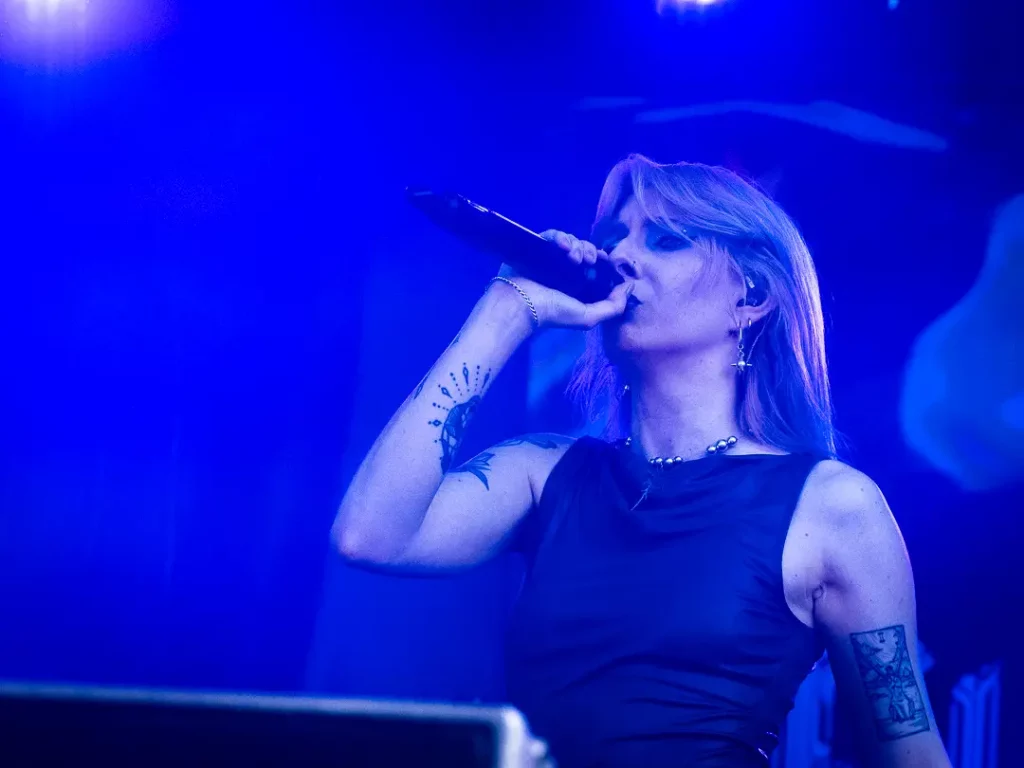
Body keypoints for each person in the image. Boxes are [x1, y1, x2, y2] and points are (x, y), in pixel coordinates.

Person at [333, 155, 951, 767]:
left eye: (665, 239)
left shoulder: (831, 505)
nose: (622, 256)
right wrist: (507, 308)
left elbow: (911, 754)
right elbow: (370, 535)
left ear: (752, 295)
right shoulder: (544, 472)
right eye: (613, 239)